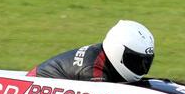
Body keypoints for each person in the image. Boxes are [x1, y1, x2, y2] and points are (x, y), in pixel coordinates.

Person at [26, 20, 155, 83]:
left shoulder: (104, 57)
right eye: (136, 61)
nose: (142, 67)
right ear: (118, 51)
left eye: (146, 62)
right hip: (32, 92)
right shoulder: (93, 70)